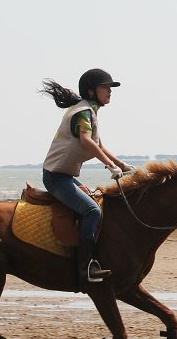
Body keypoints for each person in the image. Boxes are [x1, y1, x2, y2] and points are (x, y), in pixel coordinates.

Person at [41, 68, 135, 284]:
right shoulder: (83, 112)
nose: (110, 91)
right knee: (92, 211)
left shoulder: (89, 111)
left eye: (110, 88)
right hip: (56, 177)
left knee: (95, 204)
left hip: (65, 175)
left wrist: (121, 164)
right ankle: (85, 268)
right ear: (92, 91)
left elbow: (99, 144)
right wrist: (111, 166)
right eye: (106, 87)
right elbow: (86, 141)